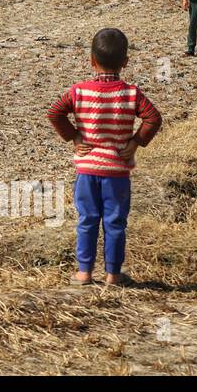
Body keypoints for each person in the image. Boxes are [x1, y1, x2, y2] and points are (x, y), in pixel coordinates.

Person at [45, 27, 162, 287]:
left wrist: (74, 137)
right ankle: (113, 275)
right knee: (115, 222)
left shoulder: (79, 91)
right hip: (117, 173)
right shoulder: (131, 94)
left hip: (87, 171)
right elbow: (153, 118)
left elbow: (54, 113)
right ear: (125, 62)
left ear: (91, 60)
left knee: (87, 220)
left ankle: (84, 273)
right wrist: (135, 141)